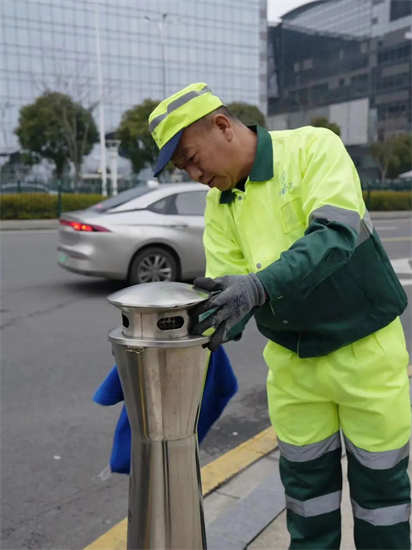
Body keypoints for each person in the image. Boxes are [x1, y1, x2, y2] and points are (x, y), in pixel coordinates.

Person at [148, 82, 411, 550]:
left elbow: (334, 235)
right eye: (181, 167)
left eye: (190, 157)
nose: (192, 173)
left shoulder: (313, 148)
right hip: (292, 366)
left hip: (364, 351)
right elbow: (228, 292)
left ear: (223, 126)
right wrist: (170, 332)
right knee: (307, 500)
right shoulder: (220, 204)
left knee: (381, 496)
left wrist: (257, 286)